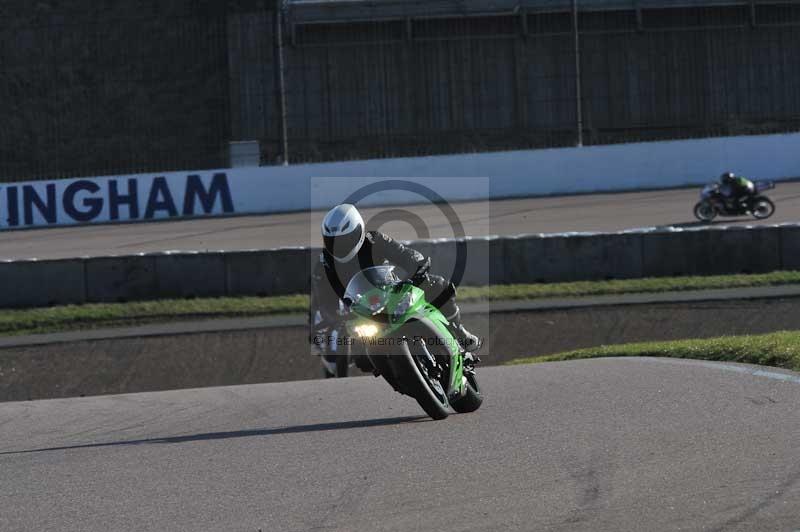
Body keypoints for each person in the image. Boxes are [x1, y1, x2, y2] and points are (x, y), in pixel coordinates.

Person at [309, 204, 480, 373]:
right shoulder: (325, 264)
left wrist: (416, 271)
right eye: (332, 242)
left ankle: (459, 333)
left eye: (344, 240)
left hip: (393, 293)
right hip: (360, 312)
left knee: (440, 286)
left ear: (358, 231)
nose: (339, 247)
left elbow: (406, 255)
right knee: (362, 361)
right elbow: (323, 300)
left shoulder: (374, 240)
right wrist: (335, 317)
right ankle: (399, 375)